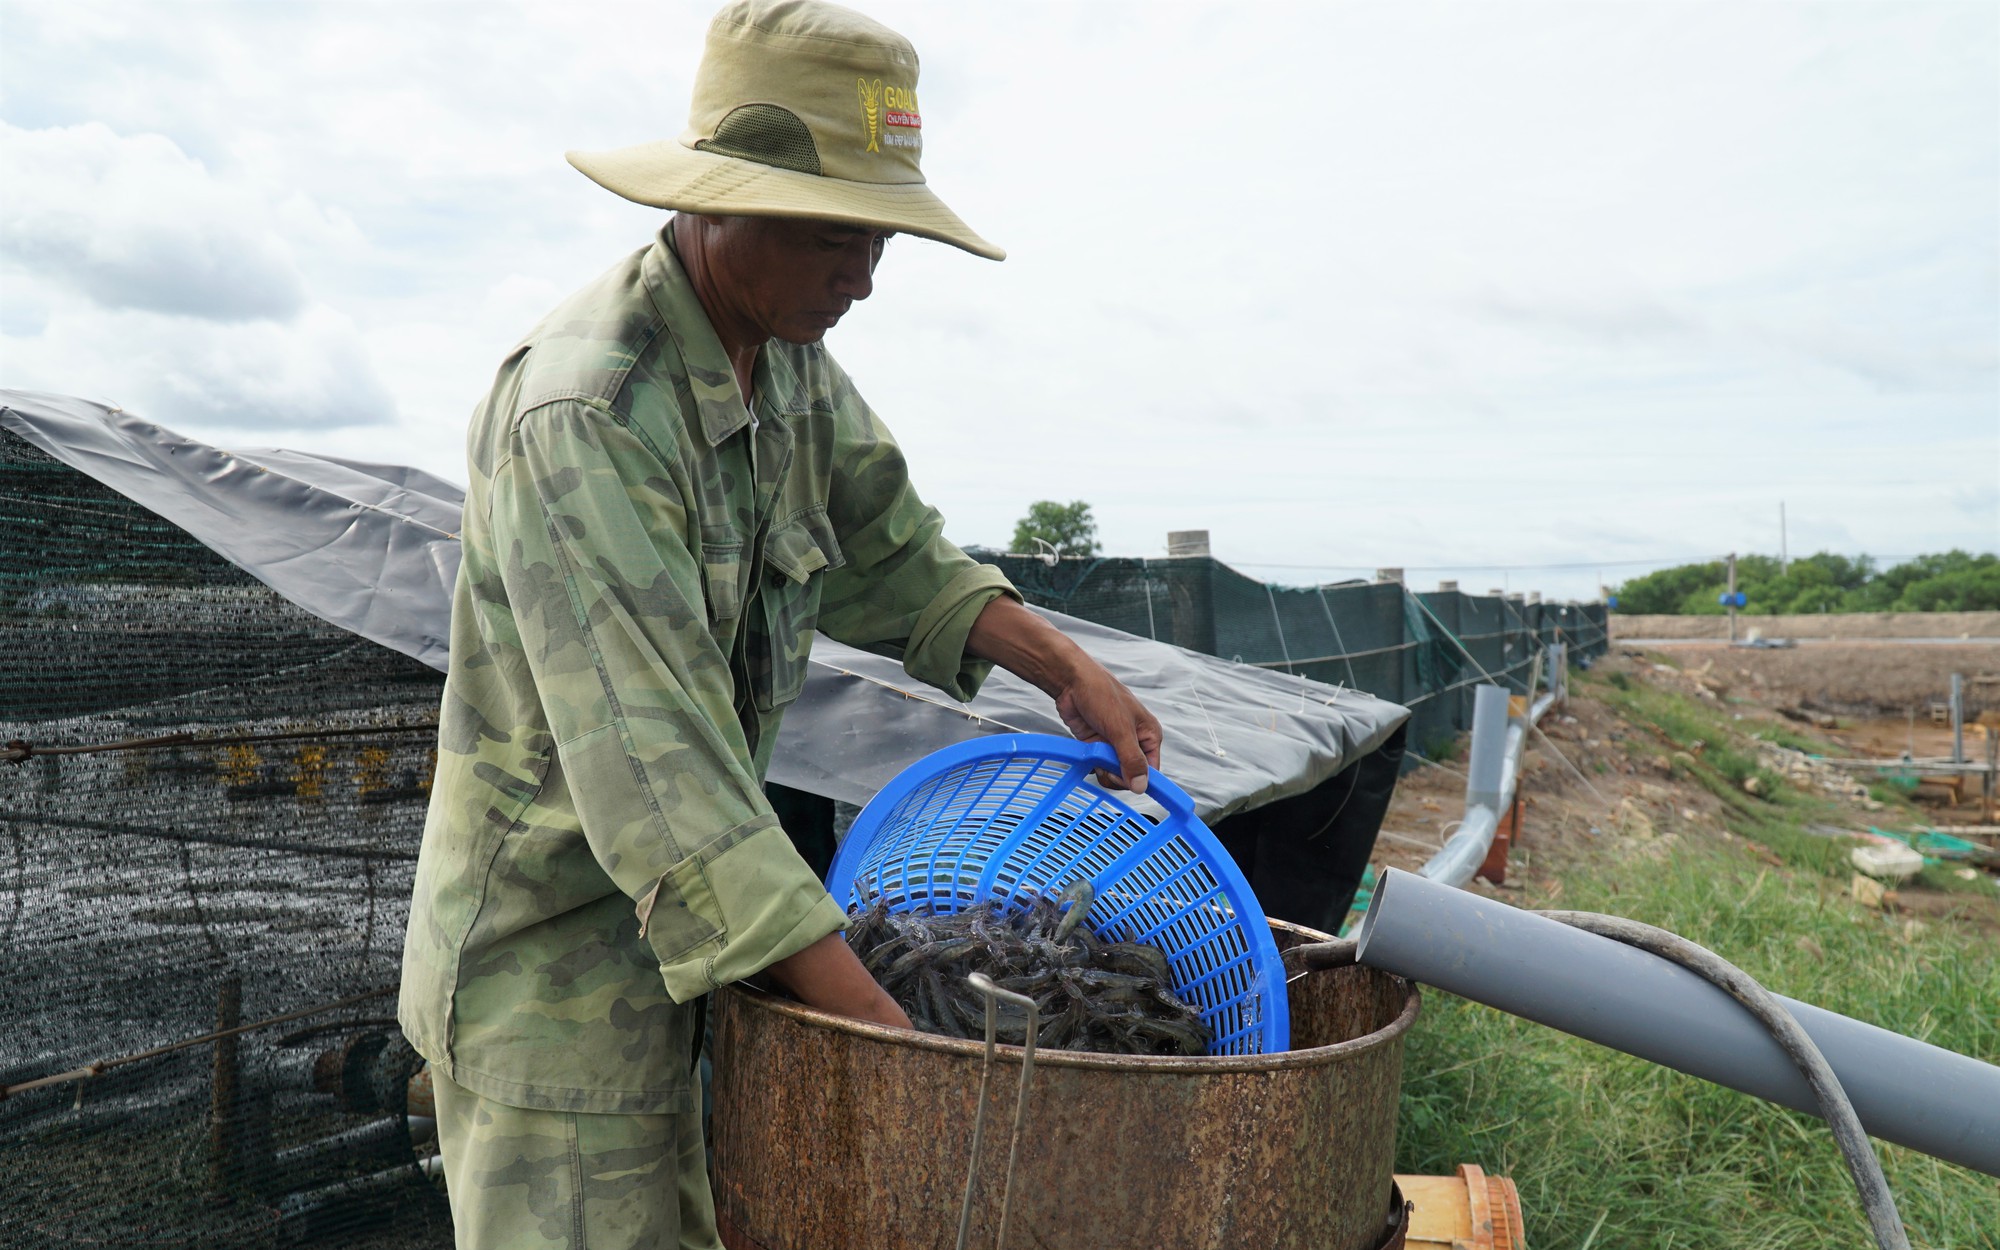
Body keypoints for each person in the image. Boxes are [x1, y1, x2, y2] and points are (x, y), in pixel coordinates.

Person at [396, 2, 1162, 1246]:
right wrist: (896, 1043)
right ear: (715, 201)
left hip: (706, 967)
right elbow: (666, 776)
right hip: (554, 985)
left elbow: (886, 538)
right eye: (828, 237)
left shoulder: (786, 354)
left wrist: (1060, 662)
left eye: (877, 240)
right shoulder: (586, 416)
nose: (860, 275)